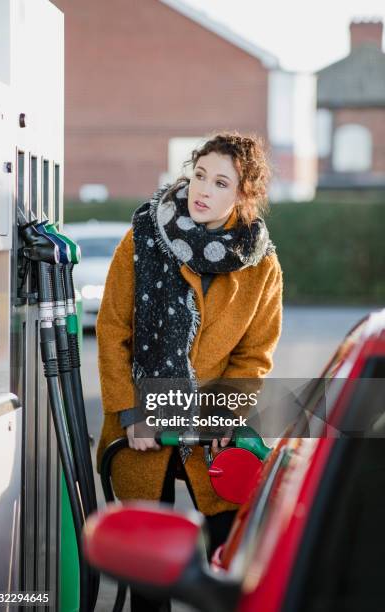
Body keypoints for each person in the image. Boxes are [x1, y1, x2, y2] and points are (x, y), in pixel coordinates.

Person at [96, 131, 283, 611]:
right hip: (142, 426)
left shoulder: (260, 266)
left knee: (224, 565)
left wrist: (226, 412)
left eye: (221, 183)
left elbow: (255, 354)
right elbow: (113, 329)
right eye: (200, 175)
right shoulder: (143, 235)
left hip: (210, 430)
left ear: (244, 196)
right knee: (148, 578)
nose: (203, 190)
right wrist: (129, 410)